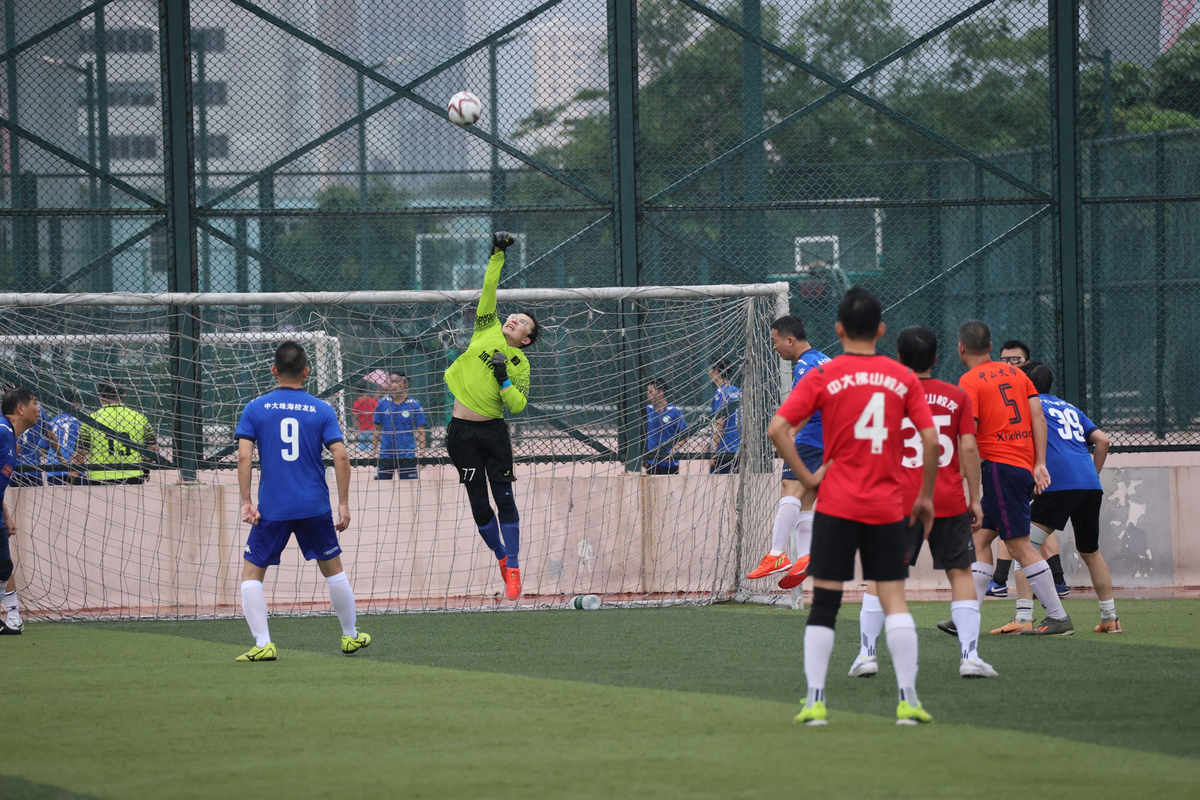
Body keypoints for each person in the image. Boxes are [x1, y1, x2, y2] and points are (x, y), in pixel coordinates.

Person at [769, 288, 939, 726]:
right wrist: (924, 496)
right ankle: (907, 701)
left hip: (837, 503)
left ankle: (815, 702)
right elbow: (932, 439)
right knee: (894, 599)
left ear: (839, 330)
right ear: (881, 331)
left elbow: (778, 428)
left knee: (824, 602)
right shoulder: (901, 377)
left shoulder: (825, 374)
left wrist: (807, 479)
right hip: (887, 505)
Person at [849, 326, 994, 680]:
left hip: (894, 502)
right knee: (960, 574)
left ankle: (867, 655)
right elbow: (970, 449)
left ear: (897, 358)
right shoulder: (957, 396)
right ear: (935, 357)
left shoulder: (883, 397)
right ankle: (970, 657)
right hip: (946, 498)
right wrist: (975, 498)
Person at [233, 340, 367, 661]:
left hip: (273, 508)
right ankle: (350, 636)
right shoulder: (322, 409)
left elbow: (243, 457)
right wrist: (344, 503)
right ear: (306, 372)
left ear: (273, 370)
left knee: (252, 575)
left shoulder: (255, 408)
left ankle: (264, 643)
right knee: (334, 570)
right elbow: (342, 456)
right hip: (314, 506)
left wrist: (246, 501)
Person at [953, 320, 1072, 636]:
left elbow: (970, 436)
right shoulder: (1019, 374)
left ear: (961, 348)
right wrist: (1040, 463)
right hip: (1017, 465)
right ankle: (967, 615)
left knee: (1019, 545)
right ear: (991, 347)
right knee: (980, 539)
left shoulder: (969, 381)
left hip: (1000, 468)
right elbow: (1038, 418)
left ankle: (1058, 617)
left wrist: (968, 488)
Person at [443, 231, 539, 602]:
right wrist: (498, 253)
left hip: (493, 434)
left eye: (522, 324)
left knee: (505, 500)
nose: (514, 320)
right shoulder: (485, 328)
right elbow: (490, 284)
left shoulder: (520, 363)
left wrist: (502, 379)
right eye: (513, 316)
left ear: (526, 340)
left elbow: (517, 406)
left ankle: (513, 569)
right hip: (461, 433)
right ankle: (501, 557)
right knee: (479, 504)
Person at [1001, 361, 1120, 634]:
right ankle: (1110, 618)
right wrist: (1092, 474)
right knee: (1090, 551)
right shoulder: (1069, 407)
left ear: (1027, 384)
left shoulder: (1030, 406)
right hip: (1089, 483)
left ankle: (1023, 617)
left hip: (1059, 483)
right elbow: (1102, 441)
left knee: (1022, 543)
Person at [746, 316, 830, 589]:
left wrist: (791, 431)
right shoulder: (825, 359)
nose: (775, 347)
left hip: (811, 439)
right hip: (830, 440)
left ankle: (777, 554)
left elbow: (809, 401)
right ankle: (806, 557)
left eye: (776, 341)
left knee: (789, 490)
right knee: (806, 501)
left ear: (790, 340)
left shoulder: (805, 364)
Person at [987, 340, 1069, 599]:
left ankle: (1002, 583)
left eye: (1015, 360)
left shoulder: (1030, 399)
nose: (1009, 365)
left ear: (1027, 363)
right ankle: (1057, 581)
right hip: (1032, 469)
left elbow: (1037, 428)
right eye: (1004, 360)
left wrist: (1038, 465)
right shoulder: (1015, 394)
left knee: (1016, 529)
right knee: (1035, 528)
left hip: (1029, 470)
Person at [1, 388, 44, 635]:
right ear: (20, 409)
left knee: (4, 566)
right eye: (34, 403)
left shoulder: (11, 440)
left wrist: (5, 514)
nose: (38, 409)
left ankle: (14, 618)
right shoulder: (1, 431)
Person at [74, 382, 156, 485]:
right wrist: (145, 465)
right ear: (123, 395)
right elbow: (152, 447)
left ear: (101, 396)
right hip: (133, 474)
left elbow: (81, 451)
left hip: (99, 475)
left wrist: (73, 473)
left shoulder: (90, 420)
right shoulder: (139, 418)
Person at [373, 373, 428, 480]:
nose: (394, 385)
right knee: (381, 487)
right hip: (386, 453)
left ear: (405, 384)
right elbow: (377, 428)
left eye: (397, 381)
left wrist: (422, 452)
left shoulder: (414, 405)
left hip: (407, 454)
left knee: (410, 488)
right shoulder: (383, 403)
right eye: (392, 382)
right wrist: (373, 451)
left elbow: (420, 430)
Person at [645, 379, 688, 475]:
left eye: (651, 391)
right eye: (648, 391)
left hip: (669, 462)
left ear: (661, 392)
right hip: (652, 460)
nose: (648, 394)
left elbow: (684, 434)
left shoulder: (674, 411)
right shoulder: (647, 410)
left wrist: (673, 451)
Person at [43, 390, 83, 486]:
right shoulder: (80, 422)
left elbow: (44, 445)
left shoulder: (53, 421)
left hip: (53, 467)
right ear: (77, 403)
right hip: (73, 466)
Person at [709, 360, 741, 474]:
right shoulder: (736, 391)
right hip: (738, 446)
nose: (708, 373)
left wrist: (713, 450)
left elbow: (719, 422)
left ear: (717, 371)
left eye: (710, 370)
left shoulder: (720, 393)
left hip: (724, 449)